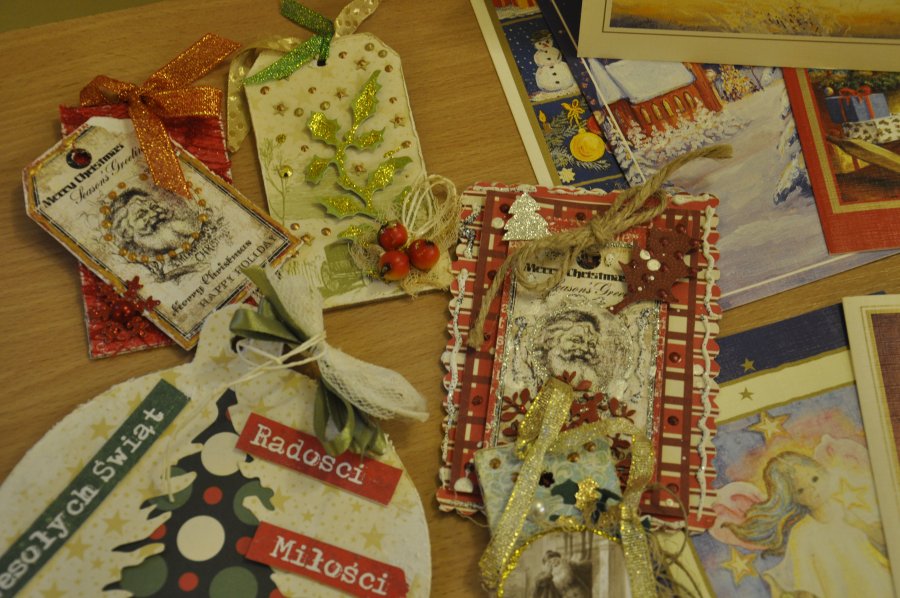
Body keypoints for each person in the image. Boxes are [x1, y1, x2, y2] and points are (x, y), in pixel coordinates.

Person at [726, 451, 891, 597]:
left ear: (821, 471)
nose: (813, 490)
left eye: (814, 479)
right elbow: (804, 583)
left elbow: (887, 541)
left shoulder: (851, 509)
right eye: (801, 490)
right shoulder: (802, 534)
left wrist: (862, 526)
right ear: (793, 499)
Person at [107, 187, 201, 257]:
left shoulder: (176, 224)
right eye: (141, 215)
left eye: (153, 206)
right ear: (127, 232)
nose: (153, 214)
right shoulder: (144, 257)